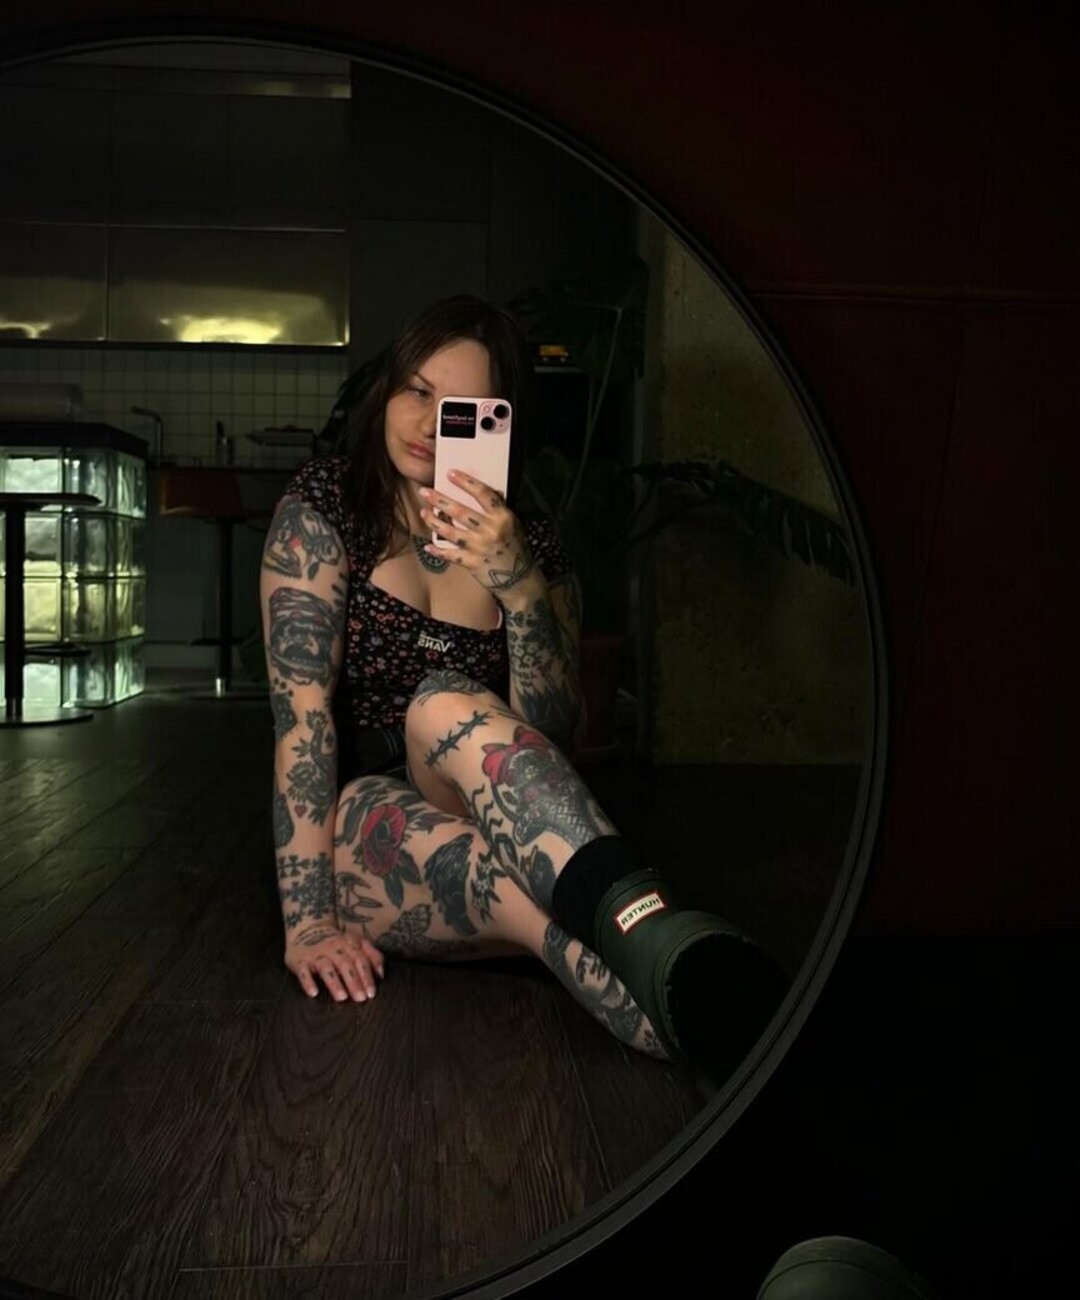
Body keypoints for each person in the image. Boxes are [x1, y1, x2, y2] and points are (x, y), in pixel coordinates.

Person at [259, 293, 788, 1082]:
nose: (426, 423)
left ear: (500, 422)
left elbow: (552, 733)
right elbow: (303, 723)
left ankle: (720, 1015)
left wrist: (519, 588)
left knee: (448, 707)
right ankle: (688, 966)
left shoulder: (532, 543)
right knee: (530, 891)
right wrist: (308, 925)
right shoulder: (329, 506)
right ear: (387, 390)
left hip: (501, 803)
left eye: (460, 410)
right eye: (415, 390)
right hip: (366, 829)